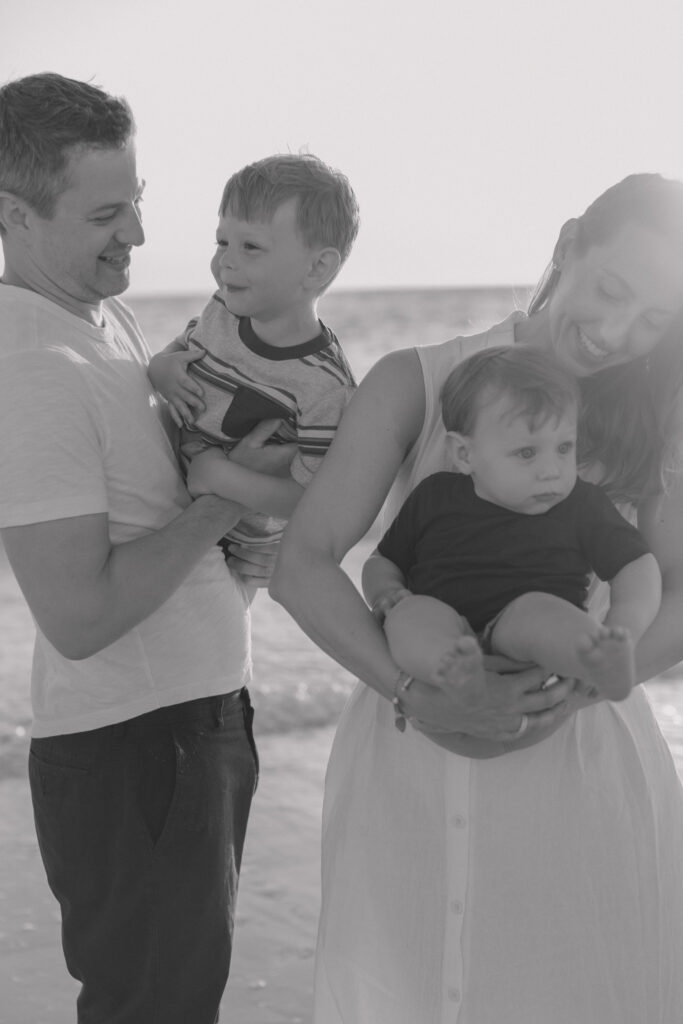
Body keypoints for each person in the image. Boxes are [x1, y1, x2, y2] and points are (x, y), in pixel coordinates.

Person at [271, 173, 683, 1022]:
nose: (614, 334)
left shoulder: (655, 426)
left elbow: (676, 592)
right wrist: (415, 693)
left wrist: (570, 696)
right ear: (569, 244)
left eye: (651, 321)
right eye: (609, 291)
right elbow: (303, 564)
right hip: (410, 760)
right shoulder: (417, 383)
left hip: (581, 765)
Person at [0, 72, 289, 1024]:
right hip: (138, 749)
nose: (136, 236)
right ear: (16, 215)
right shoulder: (30, 368)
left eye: (140, 203)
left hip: (186, 727)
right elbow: (78, 618)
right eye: (107, 213)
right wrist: (215, 508)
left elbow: (148, 508)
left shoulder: (95, 317)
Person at [365, 345, 661, 706]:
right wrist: (386, 593)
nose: (552, 469)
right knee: (412, 615)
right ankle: (453, 672)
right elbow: (383, 560)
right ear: (464, 454)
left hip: (525, 642)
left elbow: (637, 565)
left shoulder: (581, 504)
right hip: (445, 624)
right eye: (527, 453)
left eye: (565, 447)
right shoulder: (435, 495)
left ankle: (596, 659)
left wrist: (625, 624)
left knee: (539, 613)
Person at [147, 153, 358, 554]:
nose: (225, 260)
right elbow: (182, 349)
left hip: (234, 546)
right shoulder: (223, 310)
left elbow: (314, 499)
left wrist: (221, 478)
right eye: (222, 241)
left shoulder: (324, 385)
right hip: (171, 512)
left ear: (317, 268)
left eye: (251, 247)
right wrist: (162, 367)